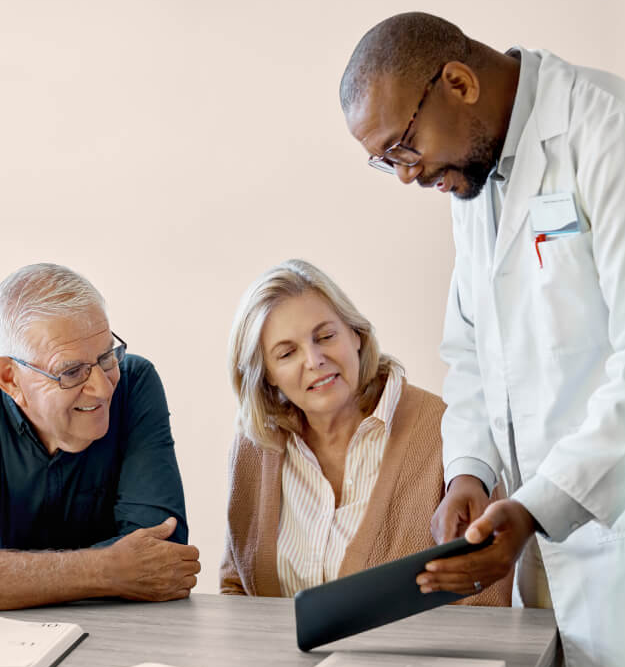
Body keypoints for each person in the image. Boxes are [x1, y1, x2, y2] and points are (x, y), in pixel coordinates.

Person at [339, 12, 625, 667]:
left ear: (457, 82)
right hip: (544, 548)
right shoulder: (473, 171)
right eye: (387, 161)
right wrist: (470, 474)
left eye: (404, 149)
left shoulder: (611, 130)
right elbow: (474, 349)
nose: (405, 176)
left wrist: (536, 506)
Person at [0, 263, 200, 610]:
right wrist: (111, 569)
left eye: (105, 358)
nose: (102, 388)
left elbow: (164, 562)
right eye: (71, 372)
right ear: (10, 378)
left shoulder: (135, 383)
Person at [219, 259, 511, 607]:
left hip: (418, 662)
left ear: (356, 334)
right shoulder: (255, 447)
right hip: (278, 662)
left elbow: (488, 604)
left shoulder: (453, 437)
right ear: (267, 374)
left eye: (326, 336)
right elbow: (236, 591)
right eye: (287, 353)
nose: (314, 360)